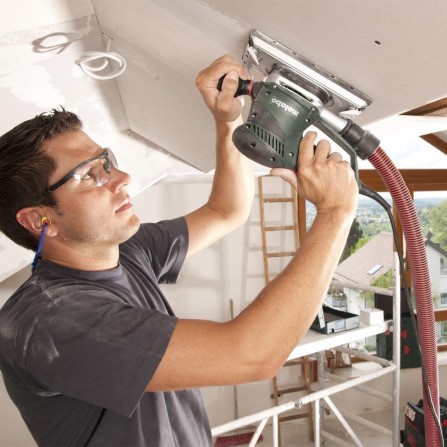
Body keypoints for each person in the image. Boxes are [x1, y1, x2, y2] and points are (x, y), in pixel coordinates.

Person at [0, 55, 358, 446]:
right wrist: (335, 212)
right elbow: (252, 355)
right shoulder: (50, 322)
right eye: (89, 175)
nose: (122, 178)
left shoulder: (126, 252)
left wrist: (227, 120)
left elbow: (226, 211)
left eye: (107, 161)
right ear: (39, 220)